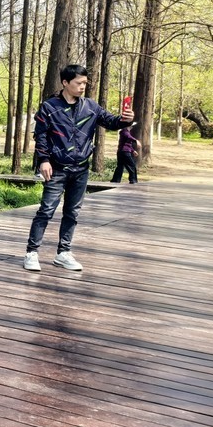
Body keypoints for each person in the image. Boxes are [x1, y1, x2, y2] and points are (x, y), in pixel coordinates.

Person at [23, 64, 133, 272]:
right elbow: (41, 135)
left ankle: (63, 253)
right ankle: (32, 252)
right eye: (79, 83)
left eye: (85, 83)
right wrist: (44, 160)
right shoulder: (49, 107)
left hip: (81, 169)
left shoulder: (90, 106)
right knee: (46, 210)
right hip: (56, 169)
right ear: (65, 82)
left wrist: (125, 120)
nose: (83, 86)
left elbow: (111, 122)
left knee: (72, 212)